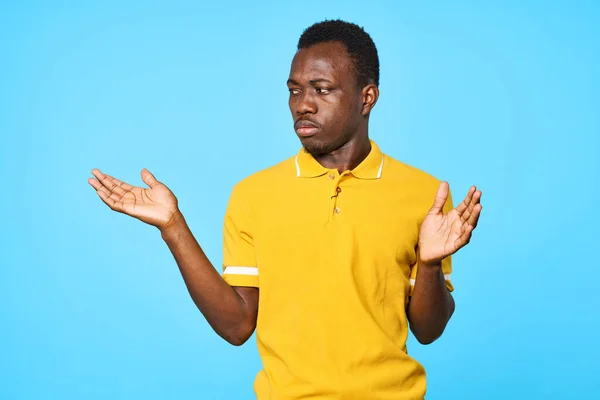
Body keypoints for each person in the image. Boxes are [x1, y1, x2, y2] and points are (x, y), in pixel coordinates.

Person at [88, 19, 482, 400]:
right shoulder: (253, 194)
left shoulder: (425, 195)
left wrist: (429, 263)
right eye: (294, 91)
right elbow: (238, 325)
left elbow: (429, 330)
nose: (303, 105)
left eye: (321, 89)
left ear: (367, 97)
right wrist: (173, 227)